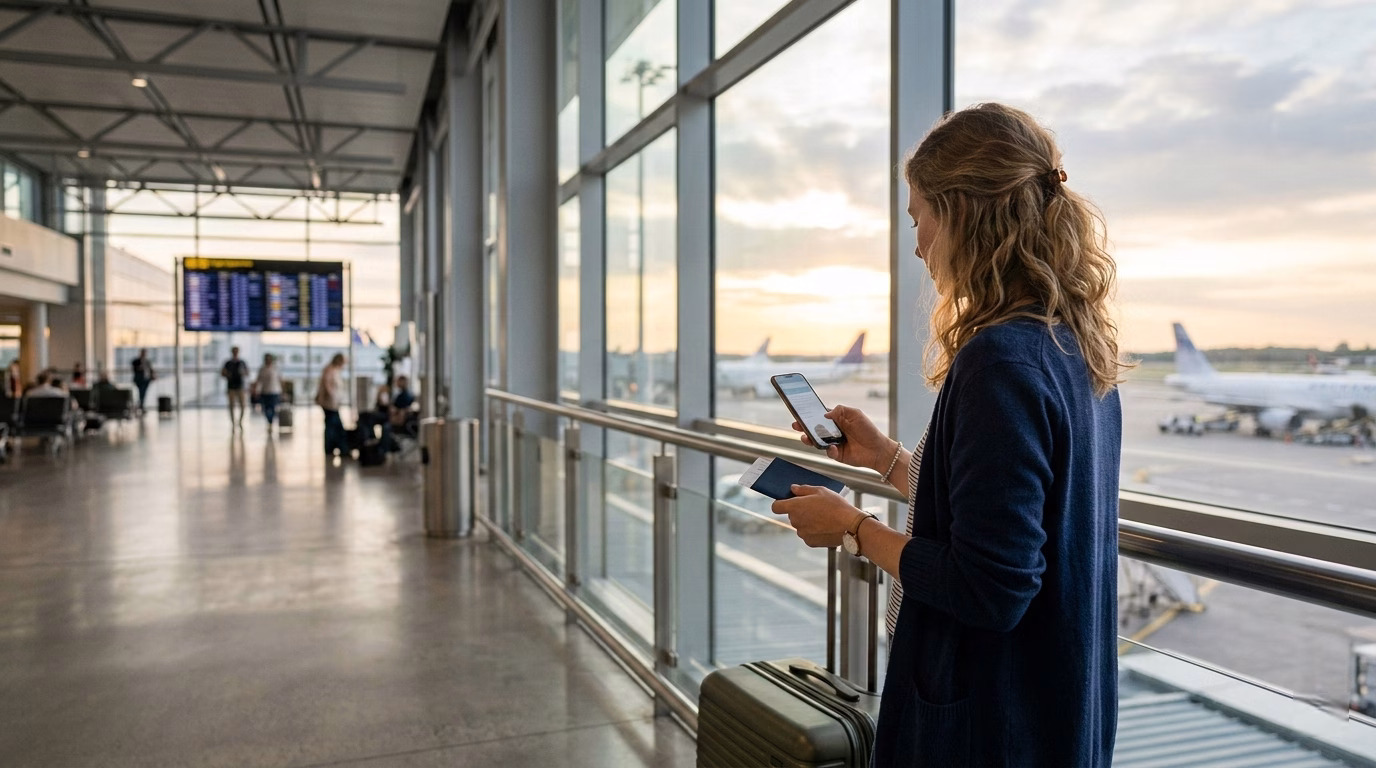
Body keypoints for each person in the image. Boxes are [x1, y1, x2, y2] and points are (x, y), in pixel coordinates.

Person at [772, 103, 1126, 766]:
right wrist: (887, 461)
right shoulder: (1074, 347)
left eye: (919, 217)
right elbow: (1009, 521)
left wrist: (851, 529)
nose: (916, 245)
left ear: (962, 212)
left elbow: (990, 586)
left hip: (990, 723)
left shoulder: (998, 361)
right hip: (1056, 705)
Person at [315, 353, 348, 458]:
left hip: (334, 403)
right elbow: (327, 385)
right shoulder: (329, 370)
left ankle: (336, 447)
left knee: (333, 425)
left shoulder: (335, 370)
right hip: (329, 404)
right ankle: (336, 448)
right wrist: (333, 397)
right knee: (334, 425)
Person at [253, 353, 283, 434]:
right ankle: (269, 421)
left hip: (274, 391)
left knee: (273, 407)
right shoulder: (262, 369)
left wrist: (283, 391)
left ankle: (271, 421)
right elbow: (258, 380)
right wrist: (256, 390)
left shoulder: (276, 368)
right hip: (265, 391)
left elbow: (280, 380)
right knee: (265, 408)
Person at [221, 347, 250, 430]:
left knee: (243, 406)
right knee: (231, 406)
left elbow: (247, 372)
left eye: (236, 351)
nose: (235, 353)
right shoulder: (228, 363)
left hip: (240, 387)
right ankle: (233, 423)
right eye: (234, 351)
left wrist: (243, 373)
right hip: (231, 387)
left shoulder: (242, 362)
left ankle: (240, 422)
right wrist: (227, 374)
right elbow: (222, 373)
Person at [131, 349, 154, 414]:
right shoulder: (136, 361)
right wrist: (140, 368)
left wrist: (152, 375)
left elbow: (151, 369)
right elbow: (134, 369)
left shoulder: (147, 361)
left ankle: (141, 406)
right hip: (139, 380)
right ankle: (140, 406)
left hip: (146, 380)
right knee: (141, 393)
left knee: (143, 394)